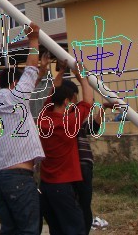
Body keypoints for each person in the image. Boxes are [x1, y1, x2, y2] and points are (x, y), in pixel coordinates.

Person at [0, 22, 46, 235]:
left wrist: (40, 74)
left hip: (0, 179)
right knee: (28, 231)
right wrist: (34, 39)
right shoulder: (16, 97)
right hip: (18, 180)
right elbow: (30, 70)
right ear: (15, 83)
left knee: (10, 230)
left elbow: (31, 78)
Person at [37, 58, 93, 235]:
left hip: (46, 185)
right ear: (69, 101)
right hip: (62, 187)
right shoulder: (68, 123)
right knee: (75, 228)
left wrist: (60, 72)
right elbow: (89, 102)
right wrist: (81, 75)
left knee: (57, 229)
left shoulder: (43, 118)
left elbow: (52, 95)